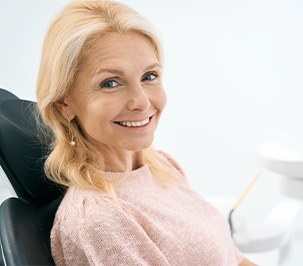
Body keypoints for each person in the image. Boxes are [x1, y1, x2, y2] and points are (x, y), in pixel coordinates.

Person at [36, 0, 256, 265]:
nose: (141, 101)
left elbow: (233, 258)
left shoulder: (161, 165)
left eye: (149, 76)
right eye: (110, 83)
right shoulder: (99, 219)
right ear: (64, 103)